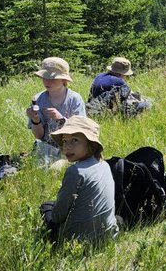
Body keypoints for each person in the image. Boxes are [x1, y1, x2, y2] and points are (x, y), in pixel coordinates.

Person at [43, 114, 118, 244]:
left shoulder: (75, 172)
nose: (67, 146)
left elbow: (57, 216)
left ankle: (54, 240)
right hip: (108, 235)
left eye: (75, 140)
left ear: (91, 144)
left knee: (46, 206)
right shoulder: (104, 165)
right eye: (65, 141)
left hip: (76, 242)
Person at [27, 57, 85, 154]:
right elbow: (39, 136)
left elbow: (80, 131)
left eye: (52, 78)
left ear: (63, 80)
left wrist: (61, 119)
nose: (47, 82)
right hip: (46, 148)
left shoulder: (75, 99)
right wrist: (35, 120)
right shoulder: (38, 99)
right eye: (45, 78)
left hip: (72, 148)